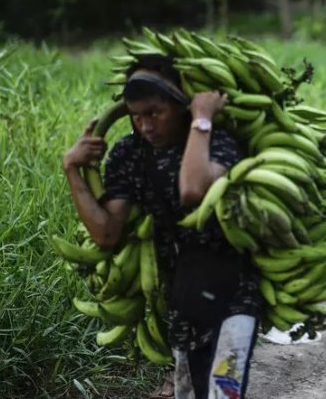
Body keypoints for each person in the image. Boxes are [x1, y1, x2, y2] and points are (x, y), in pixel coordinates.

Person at [62, 55, 261, 399]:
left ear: (181, 104)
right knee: (191, 391)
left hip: (235, 290)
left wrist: (201, 119)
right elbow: (106, 232)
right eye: (137, 116)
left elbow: (192, 189)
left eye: (155, 113)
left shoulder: (219, 141)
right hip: (182, 291)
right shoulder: (129, 153)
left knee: (223, 394)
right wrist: (71, 169)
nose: (146, 126)